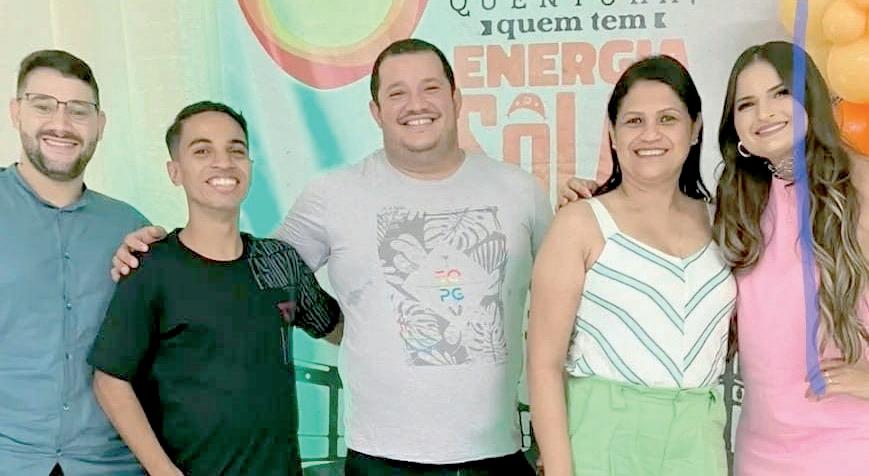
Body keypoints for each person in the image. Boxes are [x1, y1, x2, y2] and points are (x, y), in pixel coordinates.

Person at [112, 38, 551, 475]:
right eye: (397, 92)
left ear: (455, 98)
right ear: (375, 111)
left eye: (430, 88)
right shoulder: (333, 194)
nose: (415, 104)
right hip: (381, 460)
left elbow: (570, 310)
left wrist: (584, 208)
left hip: (499, 454)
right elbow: (248, 273)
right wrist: (154, 247)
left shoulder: (521, 191)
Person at [88, 101, 342, 476]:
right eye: (202, 151)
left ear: (249, 166)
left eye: (236, 150)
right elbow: (110, 379)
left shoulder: (279, 262)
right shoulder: (152, 267)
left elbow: (338, 328)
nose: (223, 163)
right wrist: (163, 472)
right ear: (175, 171)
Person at [528, 55, 735, 476]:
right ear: (612, 132)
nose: (650, 134)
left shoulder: (724, 222)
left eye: (667, 119)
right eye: (634, 121)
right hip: (600, 443)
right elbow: (543, 364)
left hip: (698, 445)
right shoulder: (579, 223)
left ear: (695, 128)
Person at [714, 41, 869, 476]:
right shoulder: (735, 203)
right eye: (746, 104)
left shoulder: (861, 185)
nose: (763, 114)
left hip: (850, 444)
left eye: (781, 93)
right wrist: (593, 200)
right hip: (760, 451)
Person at [0, 50, 145, 476]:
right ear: (16, 112)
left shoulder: (131, 228)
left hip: (111, 466)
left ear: (100, 124)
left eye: (79, 110)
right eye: (43, 105)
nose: (61, 124)